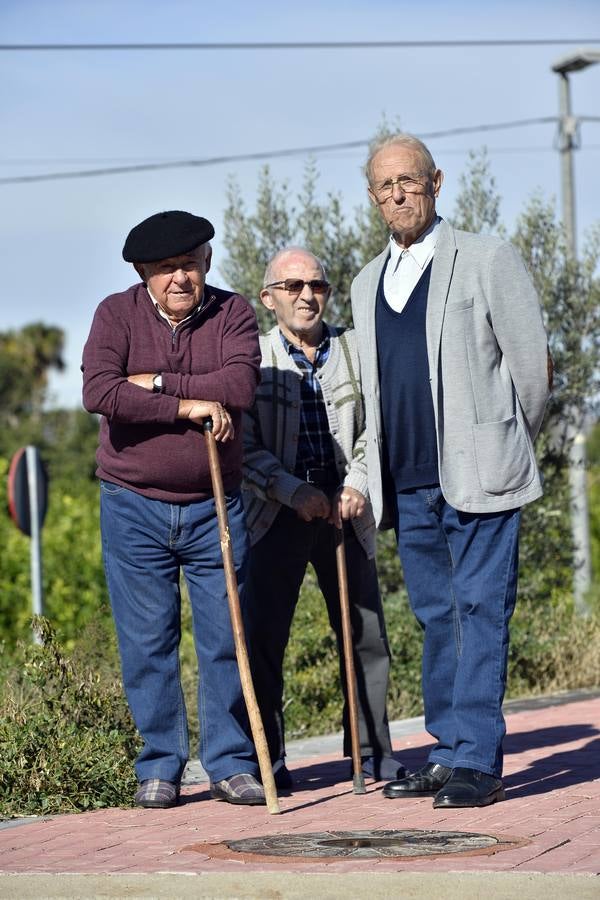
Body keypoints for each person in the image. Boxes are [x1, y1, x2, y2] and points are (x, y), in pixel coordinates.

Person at [350, 134, 551, 808]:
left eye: (408, 180)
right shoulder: (362, 284)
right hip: (406, 481)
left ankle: (478, 761)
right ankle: (446, 752)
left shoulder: (486, 258)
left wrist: (504, 441)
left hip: (481, 474)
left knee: (479, 610)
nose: (397, 194)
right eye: (384, 185)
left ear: (436, 182)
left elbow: (532, 374)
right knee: (438, 616)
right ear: (374, 196)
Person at [82, 210, 267, 808]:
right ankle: (160, 765)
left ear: (206, 263)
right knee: (147, 642)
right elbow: (99, 392)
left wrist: (157, 384)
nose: (178, 279)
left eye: (188, 265)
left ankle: (231, 763)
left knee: (225, 638)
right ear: (144, 275)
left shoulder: (234, 312)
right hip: (131, 504)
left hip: (215, 502)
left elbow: (238, 388)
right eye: (164, 270)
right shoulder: (115, 313)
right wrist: (188, 405)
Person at [242, 246, 404, 788]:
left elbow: (375, 428)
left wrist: (358, 484)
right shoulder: (254, 358)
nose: (308, 295)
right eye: (293, 287)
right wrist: (292, 492)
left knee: (364, 633)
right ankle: (271, 759)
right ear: (269, 299)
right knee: (265, 637)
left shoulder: (355, 350)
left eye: (317, 285)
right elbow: (243, 447)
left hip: (344, 512)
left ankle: (373, 749)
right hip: (277, 515)